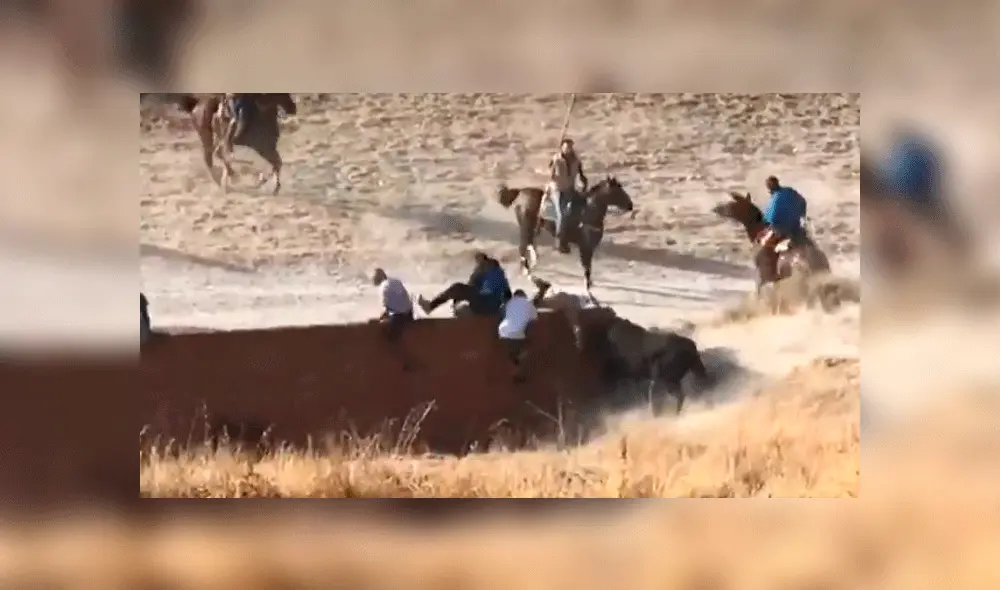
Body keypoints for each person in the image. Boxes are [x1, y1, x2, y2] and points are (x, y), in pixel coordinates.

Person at [418, 252, 511, 316]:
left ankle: (430, 306)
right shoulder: (486, 274)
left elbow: (503, 293)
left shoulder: (493, 272)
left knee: (457, 288)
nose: (478, 266)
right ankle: (439, 307)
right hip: (486, 303)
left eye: (480, 263)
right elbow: (470, 286)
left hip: (488, 303)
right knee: (458, 291)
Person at [759, 176, 808, 281]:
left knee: (764, 244)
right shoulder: (790, 191)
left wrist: (766, 223)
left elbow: (770, 218)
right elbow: (803, 202)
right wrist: (802, 215)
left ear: (769, 188)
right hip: (796, 228)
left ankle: (772, 273)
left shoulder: (775, 199)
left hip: (782, 230)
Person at [548, 138, 589, 253]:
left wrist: (584, 185)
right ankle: (559, 242)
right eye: (566, 147)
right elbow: (549, 173)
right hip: (557, 189)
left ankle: (575, 235)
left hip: (570, 189)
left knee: (577, 210)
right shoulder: (556, 159)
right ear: (562, 147)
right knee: (562, 214)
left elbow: (581, 175)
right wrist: (552, 169)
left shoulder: (576, 161)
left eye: (570, 147)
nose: (568, 149)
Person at [498, 289, 539, 383]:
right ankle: (516, 374)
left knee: (511, 354)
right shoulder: (528, 304)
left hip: (503, 332)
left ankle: (514, 370)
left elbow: (502, 315)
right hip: (517, 334)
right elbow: (535, 319)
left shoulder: (508, 303)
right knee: (521, 353)